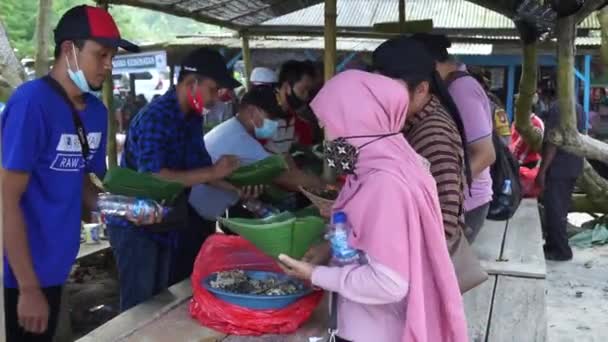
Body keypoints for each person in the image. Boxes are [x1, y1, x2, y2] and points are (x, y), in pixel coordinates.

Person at [278, 70, 467, 342]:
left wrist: (316, 274)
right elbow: (374, 243)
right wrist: (328, 250)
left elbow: (389, 283)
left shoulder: (383, 184)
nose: (326, 137)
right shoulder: (392, 165)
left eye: (327, 124)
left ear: (355, 122)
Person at [1, 5, 138, 341]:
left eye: (113, 56)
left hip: (58, 263)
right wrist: (28, 288)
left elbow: (81, 184)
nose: (109, 64)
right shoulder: (31, 103)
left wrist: (122, 209)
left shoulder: (95, 113)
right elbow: (6, 198)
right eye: (101, 54)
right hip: (21, 272)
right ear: (69, 50)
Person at [106, 47, 242, 312]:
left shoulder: (191, 118)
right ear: (192, 83)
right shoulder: (155, 117)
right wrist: (215, 173)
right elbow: (154, 176)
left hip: (165, 219)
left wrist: (235, 188)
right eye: (213, 90)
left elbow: (199, 168)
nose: (216, 98)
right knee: (139, 307)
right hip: (135, 224)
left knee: (159, 301)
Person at [371, 36, 470, 252]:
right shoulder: (408, 122)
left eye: (389, 91)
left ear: (421, 90)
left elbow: (444, 226)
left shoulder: (434, 136)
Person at [412, 33, 496, 243]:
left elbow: (486, 154)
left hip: (468, 201)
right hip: (459, 199)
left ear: (430, 64)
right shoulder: (452, 85)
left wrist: (444, 189)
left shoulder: (461, 90)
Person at [536, 101, 585, 261]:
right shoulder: (577, 107)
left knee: (555, 209)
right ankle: (552, 244)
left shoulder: (559, 107)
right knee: (559, 208)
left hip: (559, 166)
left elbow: (553, 143)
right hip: (573, 164)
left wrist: (542, 171)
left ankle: (561, 250)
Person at [266, 60, 317, 155]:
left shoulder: (298, 122)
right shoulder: (264, 116)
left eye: (309, 91)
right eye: (303, 90)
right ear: (287, 87)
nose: (306, 96)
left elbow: (306, 145)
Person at [510, 95, 545, 169]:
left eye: (519, 107)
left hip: (529, 165)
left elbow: (542, 149)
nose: (515, 109)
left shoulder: (536, 122)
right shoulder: (515, 122)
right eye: (515, 106)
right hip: (513, 163)